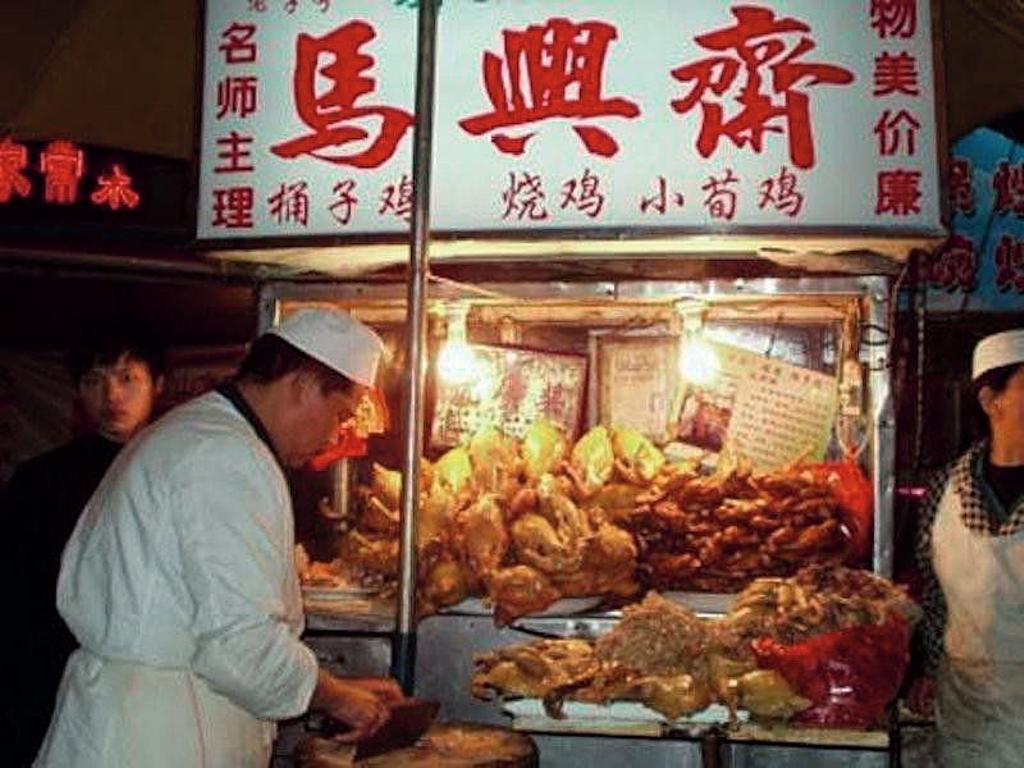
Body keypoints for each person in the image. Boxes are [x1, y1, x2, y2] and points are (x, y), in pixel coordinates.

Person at [34, 309, 404, 768]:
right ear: (303, 385)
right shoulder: (223, 455)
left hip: (155, 719)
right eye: (340, 414)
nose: (335, 435)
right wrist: (337, 697)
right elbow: (240, 647)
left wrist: (333, 688)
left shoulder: (204, 434)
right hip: (156, 737)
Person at [3, 324, 166, 768]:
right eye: (94, 381)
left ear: (158, 384)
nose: (112, 395)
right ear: (78, 392)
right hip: (52, 672)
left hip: (147, 676)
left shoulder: (177, 471)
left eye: (127, 378)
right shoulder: (41, 479)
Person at [908, 328, 1024, 766]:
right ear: (992, 401)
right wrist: (928, 669)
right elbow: (935, 595)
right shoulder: (947, 489)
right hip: (967, 708)